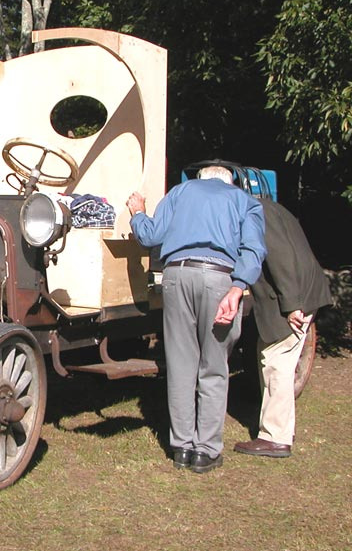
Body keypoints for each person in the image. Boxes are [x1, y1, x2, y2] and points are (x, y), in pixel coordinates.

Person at [126, 165, 266, 473]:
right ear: (229, 182)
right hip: (219, 279)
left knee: (180, 363)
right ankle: (206, 451)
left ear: (200, 180)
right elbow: (254, 251)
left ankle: (182, 449)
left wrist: (138, 212)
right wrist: (238, 287)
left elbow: (150, 236)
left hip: (176, 275)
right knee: (214, 366)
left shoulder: (180, 192)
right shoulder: (245, 201)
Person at [234, 198, 332, 458]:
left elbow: (281, 258)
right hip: (300, 292)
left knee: (277, 362)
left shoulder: (258, 213)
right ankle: (281, 428)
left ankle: (275, 437)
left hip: (294, 297)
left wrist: (292, 305)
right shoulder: (267, 206)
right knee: (274, 358)